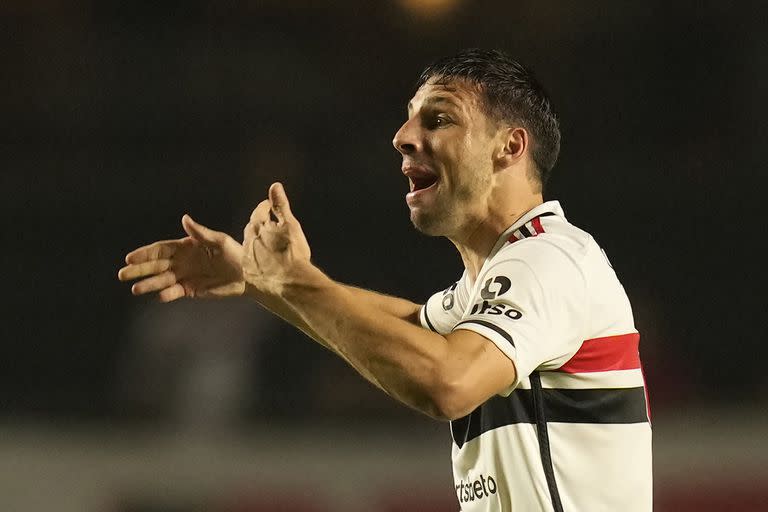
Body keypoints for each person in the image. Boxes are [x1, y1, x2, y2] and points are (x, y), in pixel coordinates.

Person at [118, 49, 652, 511]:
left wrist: (294, 282)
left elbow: (447, 381)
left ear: (509, 147)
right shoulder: (494, 280)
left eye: (438, 119)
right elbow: (408, 328)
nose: (402, 138)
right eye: (408, 120)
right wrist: (261, 279)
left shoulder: (547, 258)